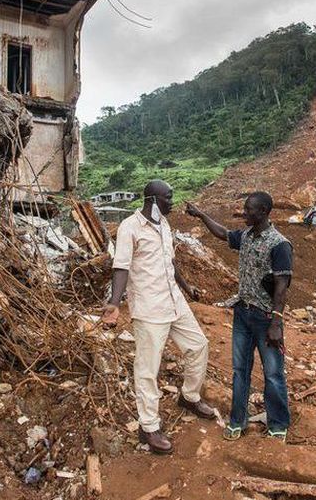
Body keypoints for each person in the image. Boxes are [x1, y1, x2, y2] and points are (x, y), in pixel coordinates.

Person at [101, 180, 216, 455]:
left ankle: (189, 397)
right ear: (153, 200)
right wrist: (115, 304)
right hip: (149, 307)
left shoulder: (164, 225)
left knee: (199, 345)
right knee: (148, 368)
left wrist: (187, 288)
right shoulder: (130, 227)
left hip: (174, 301)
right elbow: (121, 267)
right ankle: (148, 426)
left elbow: (170, 263)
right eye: (168, 198)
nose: (172, 203)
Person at [186, 192, 292, 442]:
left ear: (264, 211)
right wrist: (201, 215)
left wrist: (276, 322)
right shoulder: (246, 236)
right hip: (243, 314)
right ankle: (238, 420)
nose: (244, 213)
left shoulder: (279, 244)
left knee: (273, 373)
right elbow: (223, 234)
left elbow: (281, 286)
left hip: (266, 317)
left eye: (249, 210)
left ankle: (278, 424)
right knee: (239, 370)